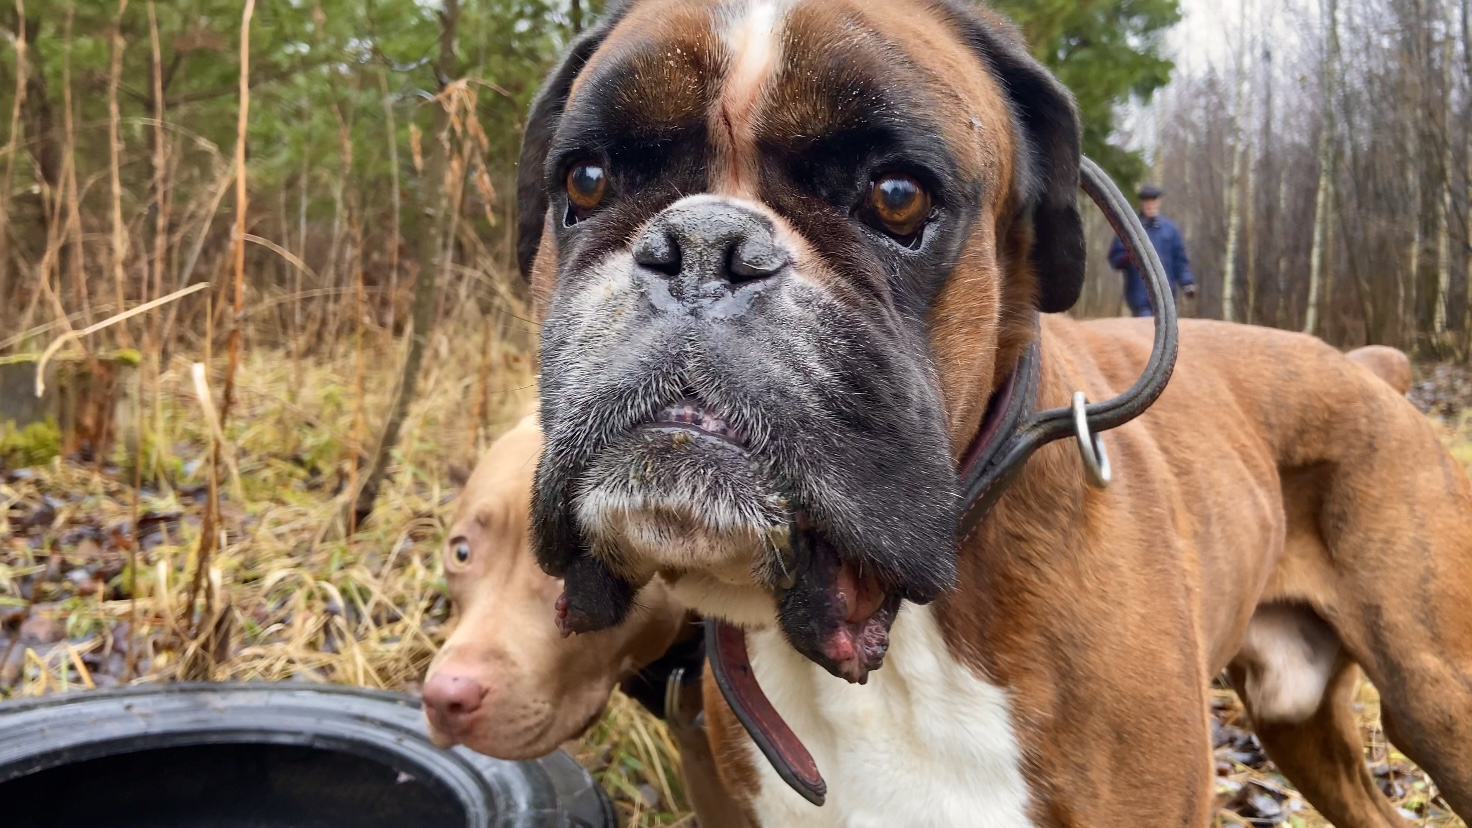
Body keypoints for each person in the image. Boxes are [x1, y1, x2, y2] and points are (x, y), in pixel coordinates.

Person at [1108, 184, 1196, 317]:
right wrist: (1129, 257)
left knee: (1168, 333)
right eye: (1146, 201)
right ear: (1141, 203)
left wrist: (1187, 282)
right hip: (1140, 297)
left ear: (1158, 202)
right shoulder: (1129, 228)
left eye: (1153, 201)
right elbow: (1115, 258)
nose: (1150, 205)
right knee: (1147, 332)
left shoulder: (1170, 230)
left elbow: (1180, 261)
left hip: (1166, 296)